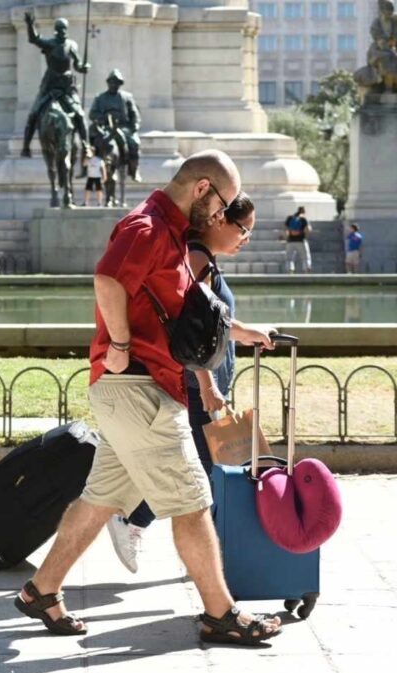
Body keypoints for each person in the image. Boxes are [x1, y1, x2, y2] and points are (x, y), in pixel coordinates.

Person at [14, 150, 283, 646]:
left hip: (138, 390)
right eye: (223, 206)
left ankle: (41, 591)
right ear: (202, 189)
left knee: (101, 500)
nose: (223, 218)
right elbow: (107, 279)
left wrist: (241, 331)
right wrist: (117, 345)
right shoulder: (148, 227)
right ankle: (219, 614)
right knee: (194, 501)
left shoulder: (172, 234)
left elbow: (181, 312)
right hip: (138, 388)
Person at [105, 192, 275, 572]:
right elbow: (192, 328)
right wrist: (208, 386)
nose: (245, 239)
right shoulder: (197, 258)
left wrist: (249, 332)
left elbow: (217, 323)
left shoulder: (205, 259)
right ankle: (137, 523)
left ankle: (159, 532)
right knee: (202, 470)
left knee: (201, 468)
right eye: (243, 230)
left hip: (206, 384)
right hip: (198, 384)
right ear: (219, 221)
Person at [21, 13, 91, 160]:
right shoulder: (50, 44)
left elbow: (76, 63)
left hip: (67, 87)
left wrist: (83, 67)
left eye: (63, 29)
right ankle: (26, 147)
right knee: (34, 114)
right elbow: (34, 39)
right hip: (50, 86)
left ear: (66, 30)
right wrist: (30, 25)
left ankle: (86, 145)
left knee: (79, 114)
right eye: (59, 29)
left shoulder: (72, 45)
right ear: (55, 30)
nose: (61, 32)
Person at [89, 69, 143, 182]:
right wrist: (103, 118)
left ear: (120, 84)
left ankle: (134, 169)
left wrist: (135, 126)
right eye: (112, 82)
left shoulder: (127, 97)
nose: (114, 84)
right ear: (108, 83)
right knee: (93, 141)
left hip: (123, 127)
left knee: (134, 143)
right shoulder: (100, 98)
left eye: (116, 82)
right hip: (105, 127)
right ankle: (89, 166)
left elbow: (134, 114)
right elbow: (92, 114)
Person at [284, 206, 312, 274]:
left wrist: (287, 237)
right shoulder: (303, 219)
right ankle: (306, 270)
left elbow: (286, 229)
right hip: (301, 240)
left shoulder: (290, 218)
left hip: (290, 241)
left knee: (289, 258)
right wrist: (305, 235)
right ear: (303, 211)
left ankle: (290, 270)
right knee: (305, 257)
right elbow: (308, 229)